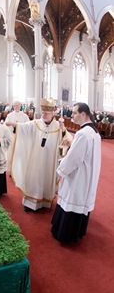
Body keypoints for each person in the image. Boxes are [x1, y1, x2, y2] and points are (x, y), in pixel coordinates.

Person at [51, 102, 101, 243]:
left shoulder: (83, 134)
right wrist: (72, 144)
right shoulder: (93, 132)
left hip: (79, 176)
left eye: (74, 113)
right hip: (88, 174)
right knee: (80, 201)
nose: (71, 115)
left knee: (72, 199)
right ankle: (77, 231)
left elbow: (74, 159)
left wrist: (61, 168)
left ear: (83, 114)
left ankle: (65, 234)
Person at [11, 97, 72, 211]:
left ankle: (44, 203)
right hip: (36, 158)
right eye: (43, 113)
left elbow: (67, 139)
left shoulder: (58, 126)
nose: (44, 115)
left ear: (52, 113)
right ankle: (30, 202)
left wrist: (63, 130)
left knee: (47, 179)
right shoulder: (36, 123)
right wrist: (14, 125)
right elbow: (23, 127)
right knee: (33, 177)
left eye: (47, 113)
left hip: (50, 160)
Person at [4, 101, 29, 172]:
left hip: (21, 137)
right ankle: (11, 169)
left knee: (19, 152)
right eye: (14, 105)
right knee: (11, 152)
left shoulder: (24, 116)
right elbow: (6, 123)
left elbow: (28, 125)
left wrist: (17, 124)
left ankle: (19, 169)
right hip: (12, 136)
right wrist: (11, 123)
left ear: (20, 106)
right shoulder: (10, 115)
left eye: (17, 105)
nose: (16, 107)